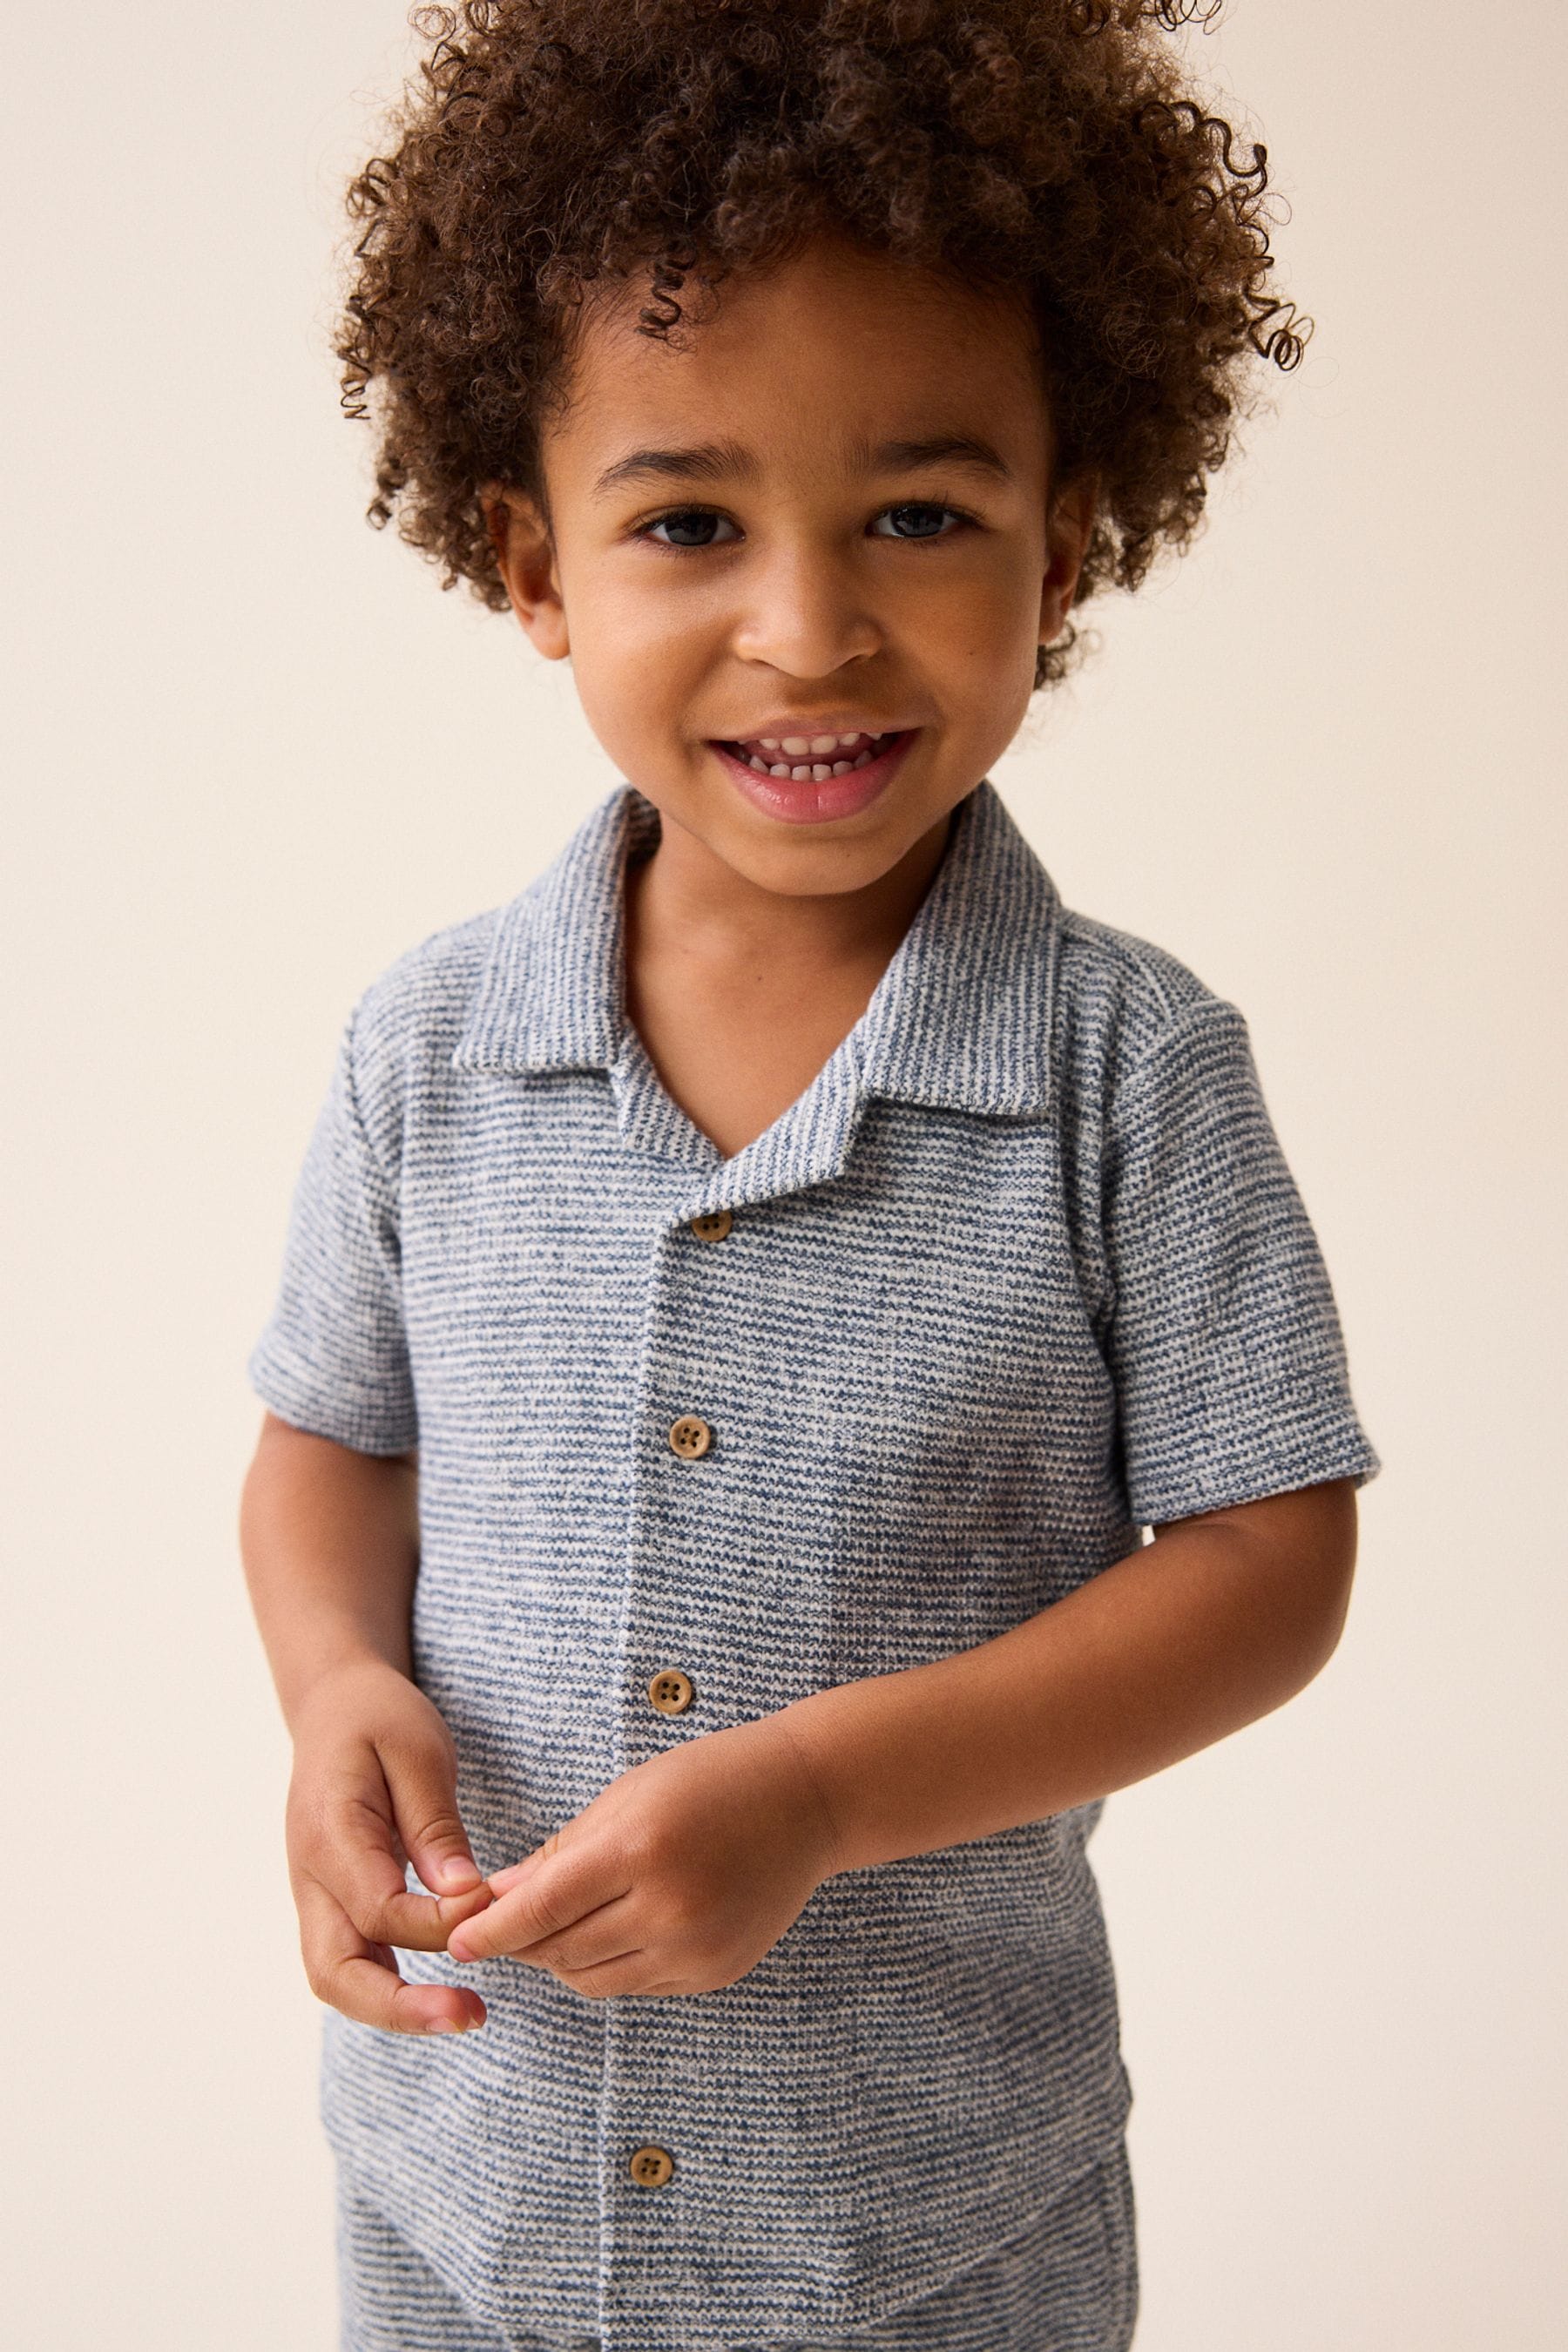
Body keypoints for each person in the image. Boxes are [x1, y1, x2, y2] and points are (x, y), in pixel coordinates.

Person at [239, 3, 1381, 2346]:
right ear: (530, 558)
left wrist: (830, 1791)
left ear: (1070, 544)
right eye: (686, 520)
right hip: (468, 2196)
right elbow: (329, 1444)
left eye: (922, 516)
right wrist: (334, 1676)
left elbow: (1271, 1555)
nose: (808, 623)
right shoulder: (429, 1046)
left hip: (929, 2232)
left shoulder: (1126, 1071)